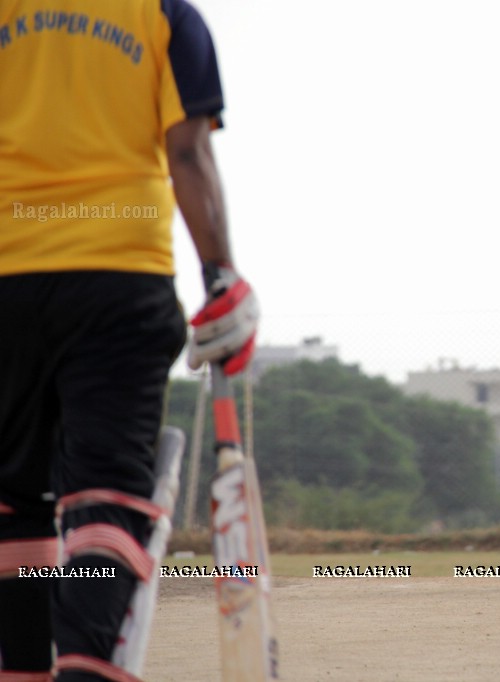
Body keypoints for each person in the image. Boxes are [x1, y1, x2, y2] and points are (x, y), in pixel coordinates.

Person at [0, 1, 258, 679]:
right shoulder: (164, 13)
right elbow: (188, 152)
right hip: (118, 278)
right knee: (107, 495)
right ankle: (85, 668)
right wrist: (221, 278)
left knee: (12, 506)